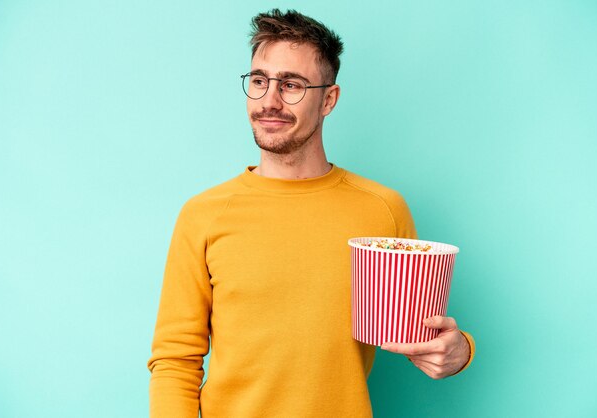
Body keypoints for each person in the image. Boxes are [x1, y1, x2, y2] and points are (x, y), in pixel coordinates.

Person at [148, 9, 475, 417]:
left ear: (329, 100)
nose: (269, 101)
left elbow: (421, 337)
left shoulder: (383, 210)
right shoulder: (203, 215)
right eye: (259, 81)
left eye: (291, 85)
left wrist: (459, 350)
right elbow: (175, 360)